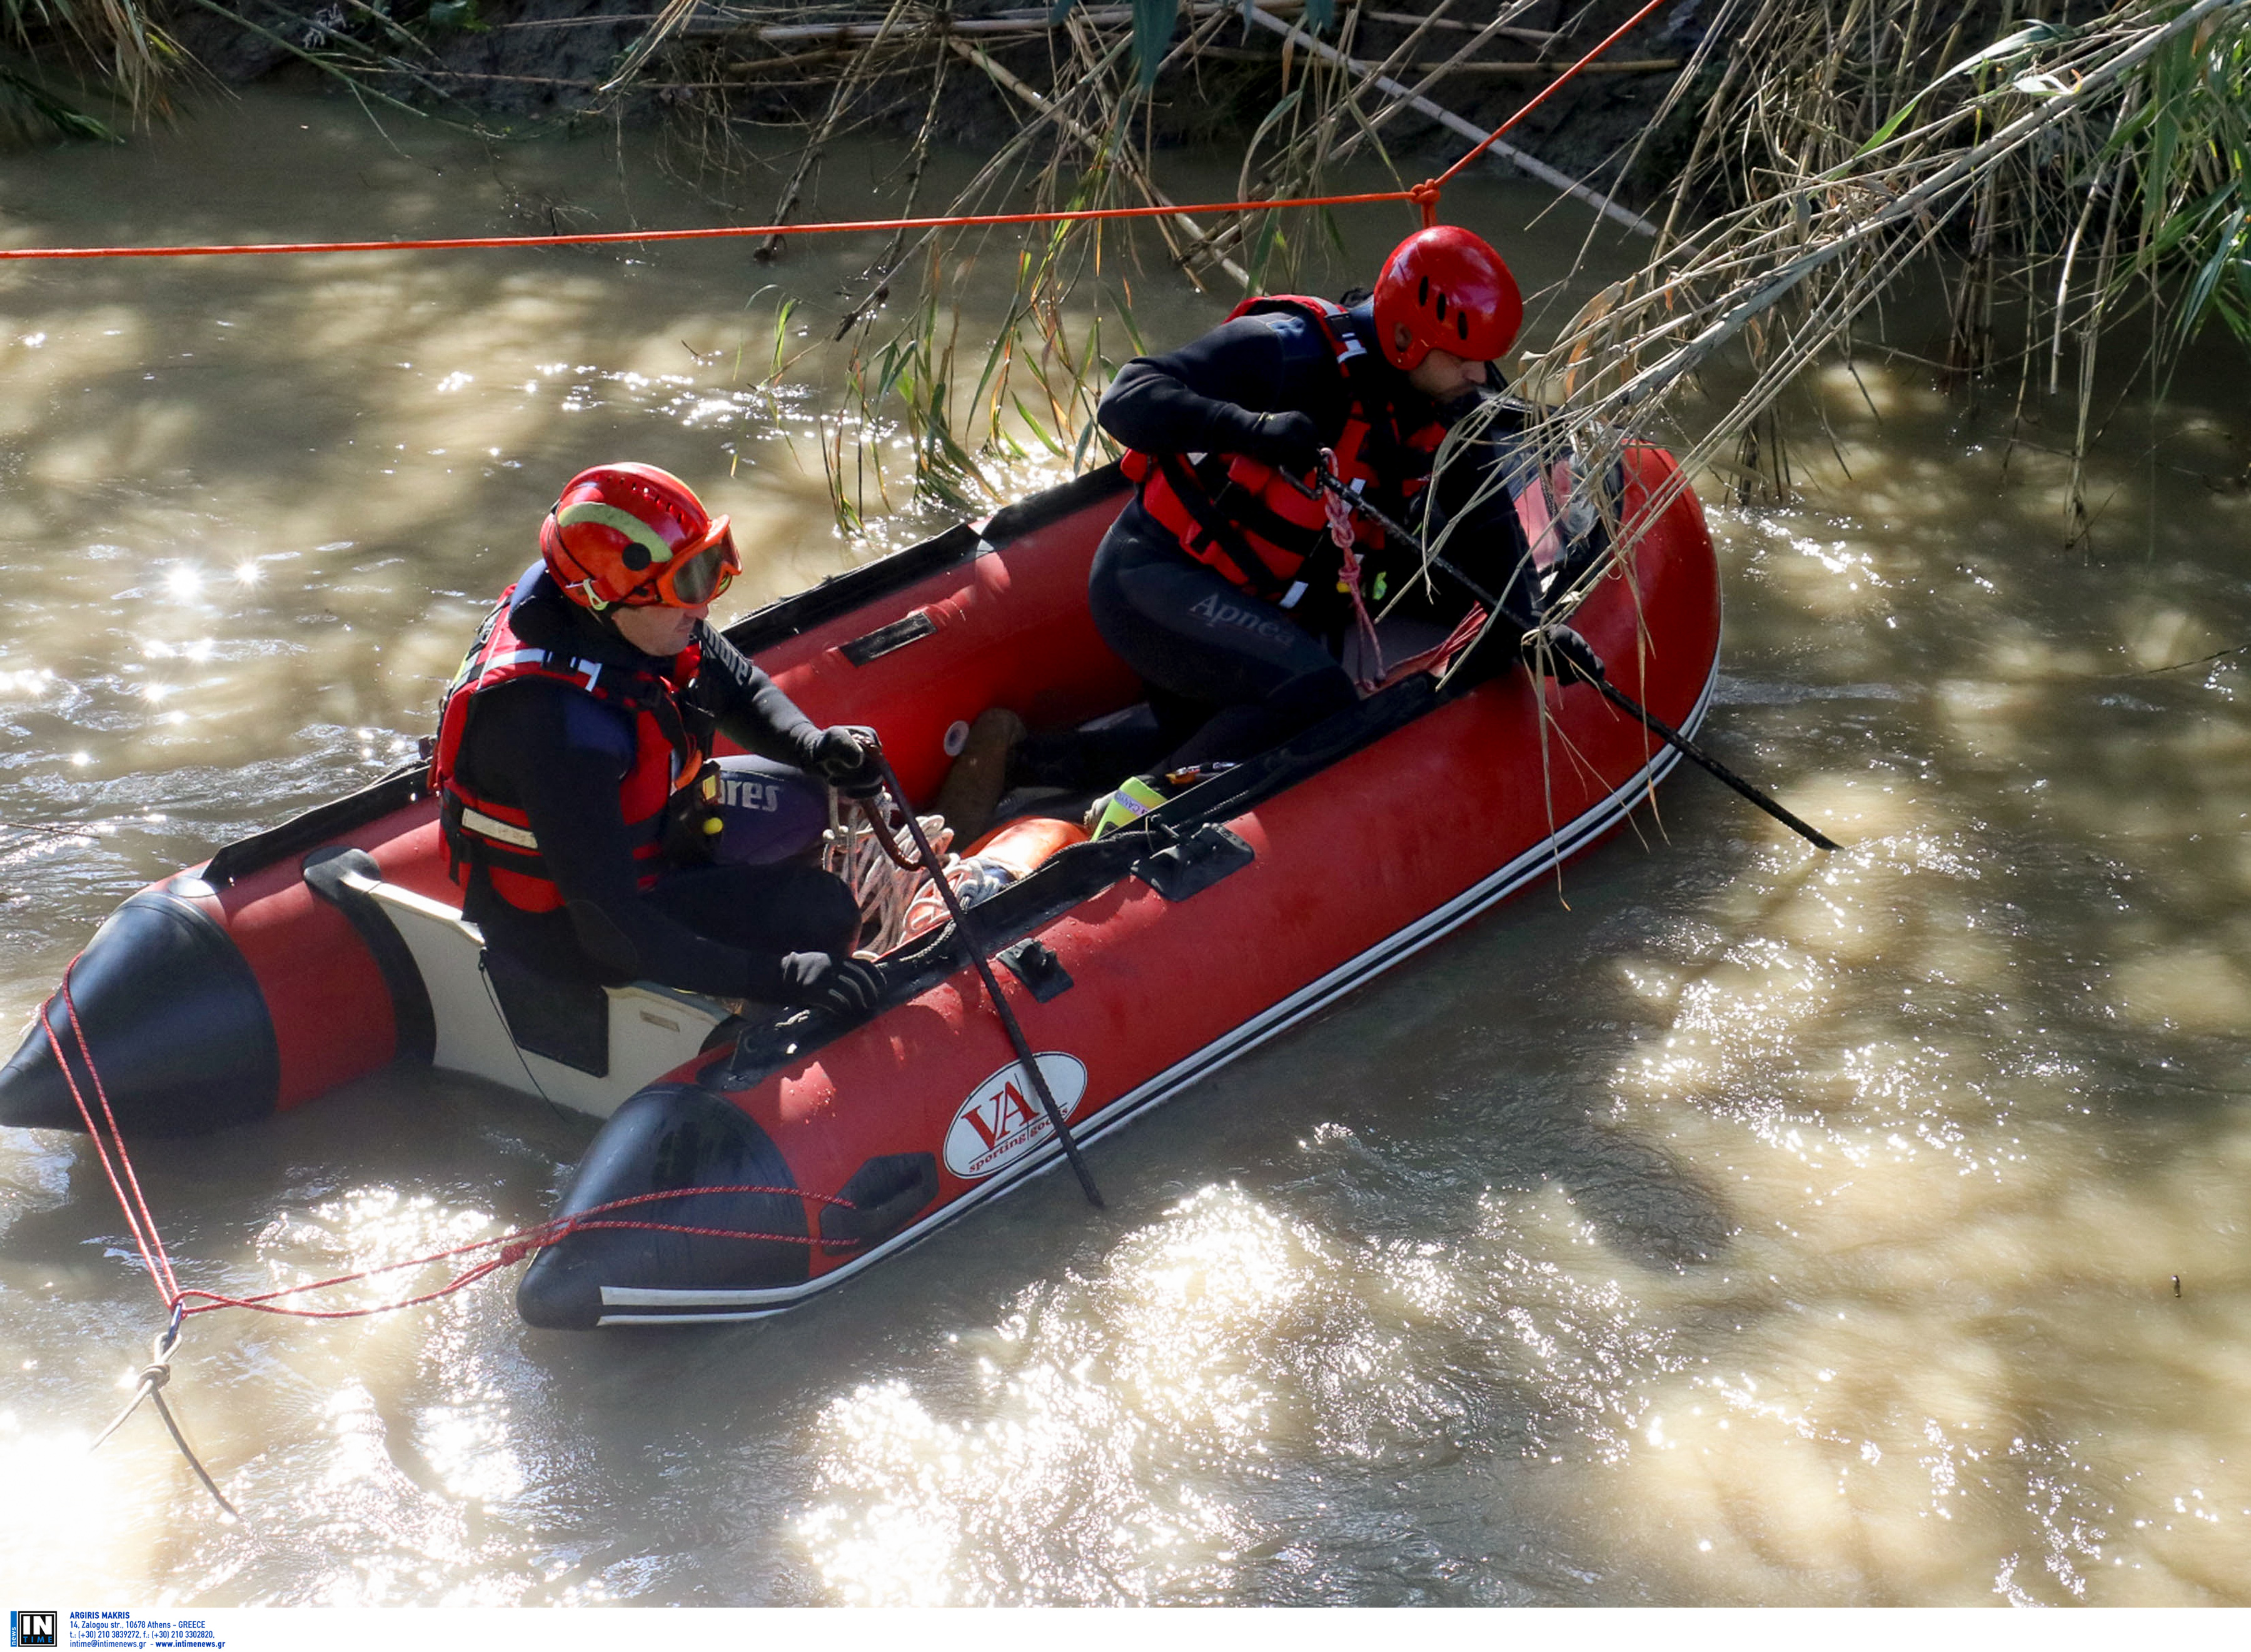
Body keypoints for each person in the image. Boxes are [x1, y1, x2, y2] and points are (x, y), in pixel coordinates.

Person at [1090, 223, 1586, 768]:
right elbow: (1127, 396)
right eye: (1462, 357)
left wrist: (1532, 626)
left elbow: (1487, 524)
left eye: (1485, 357)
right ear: (1404, 339)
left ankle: (1024, 758)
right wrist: (1249, 428)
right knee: (1318, 695)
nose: (1479, 374)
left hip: (1261, 605)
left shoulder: (1450, 400)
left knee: (1195, 733)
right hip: (1153, 580)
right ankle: (1139, 815)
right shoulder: (1287, 351)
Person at [428, 462, 884, 1019]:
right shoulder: (555, 728)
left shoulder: (621, 615)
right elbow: (615, 933)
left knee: (810, 793)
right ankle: (758, 1042)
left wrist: (815, 747)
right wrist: (784, 976)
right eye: (687, 585)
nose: (704, 605)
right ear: (606, 595)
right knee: (824, 913)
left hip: (648, 844)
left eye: (707, 572)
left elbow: (739, 688)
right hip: (568, 932)